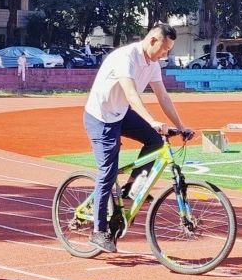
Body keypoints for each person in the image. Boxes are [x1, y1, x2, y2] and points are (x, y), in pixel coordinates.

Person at [82, 22, 192, 254]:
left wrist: (181, 126)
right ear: (152, 40)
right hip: (101, 118)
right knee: (107, 172)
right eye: (164, 48)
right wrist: (152, 120)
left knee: (156, 141)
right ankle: (98, 231)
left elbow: (163, 96)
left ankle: (130, 188)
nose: (165, 54)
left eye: (169, 50)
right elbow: (131, 94)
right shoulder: (126, 57)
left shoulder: (153, 64)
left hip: (121, 113)